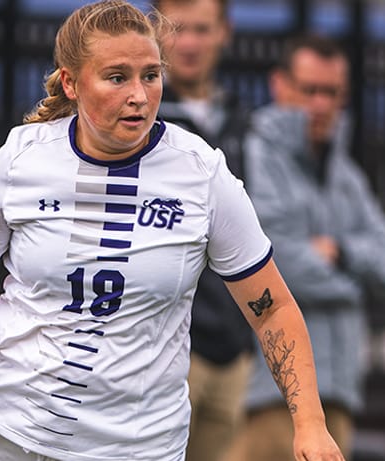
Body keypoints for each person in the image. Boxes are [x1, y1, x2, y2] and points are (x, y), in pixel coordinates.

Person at [0, 2, 345, 461]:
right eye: (116, 77)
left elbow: (272, 309)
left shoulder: (202, 174)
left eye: (150, 75)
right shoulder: (21, 159)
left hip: (134, 448)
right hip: (4, 432)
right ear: (71, 82)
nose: (139, 95)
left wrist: (310, 425)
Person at [227, 35, 385, 460]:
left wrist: (343, 254)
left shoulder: (345, 174)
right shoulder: (253, 155)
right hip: (270, 393)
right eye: (309, 90)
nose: (320, 105)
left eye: (331, 93)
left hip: (340, 390)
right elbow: (278, 265)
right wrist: (355, 284)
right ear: (279, 85)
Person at [151, 1, 256, 460]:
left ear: (224, 32)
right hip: (162, 349)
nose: (189, 43)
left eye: (201, 29)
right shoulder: (137, 117)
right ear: (154, 30)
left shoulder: (245, 120)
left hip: (234, 352)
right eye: (178, 29)